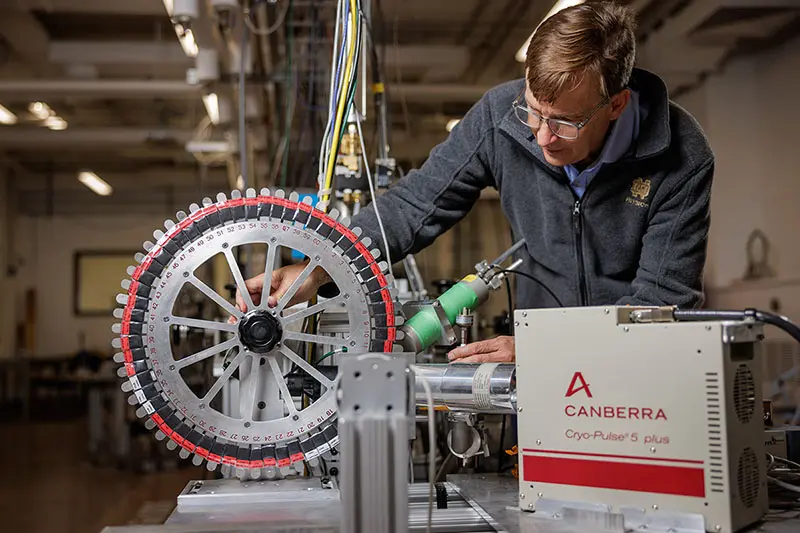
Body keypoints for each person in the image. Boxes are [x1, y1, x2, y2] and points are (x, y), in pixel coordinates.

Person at [237, 2, 713, 364]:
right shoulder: (500, 116)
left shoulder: (680, 155)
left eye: (565, 122)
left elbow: (659, 306)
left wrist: (542, 353)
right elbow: (413, 206)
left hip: (634, 374)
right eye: (534, 110)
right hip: (535, 381)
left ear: (616, 105)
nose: (543, 137)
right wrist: (317, 267)